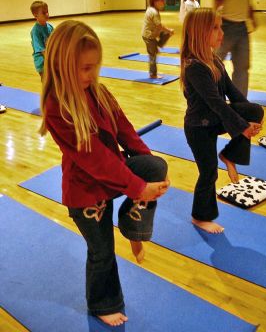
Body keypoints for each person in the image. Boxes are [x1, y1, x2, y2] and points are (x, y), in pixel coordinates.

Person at [39, 20, 169, 326]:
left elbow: (125, 129)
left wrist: (149, 177)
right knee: (102, 253)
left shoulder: (99, 92)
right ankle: (101, 303)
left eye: (95, 67)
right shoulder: (57, 106)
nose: (91, 75)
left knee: (155, 167)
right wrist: (137, 189)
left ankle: (132, 227)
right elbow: (95, 159)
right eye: (84, 69)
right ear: (61, 65)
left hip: (110, 180)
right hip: (86, 195)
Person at [180, 8, 264, 234]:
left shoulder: (214, 60)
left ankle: (229, 154)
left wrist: (247, 117)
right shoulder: (194, 67)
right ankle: (200, 217)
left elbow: (234, 94)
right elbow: (216, 102)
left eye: (221, 27)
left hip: (214, 120)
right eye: (215, 28)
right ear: (199, 33)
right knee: (209, 172)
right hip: (199, 128)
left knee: (255, 109)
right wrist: (242, 128)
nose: (221, 33)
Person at [212, 0, 256, 97]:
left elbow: (247, 3)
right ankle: (214, 97)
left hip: (242, 29)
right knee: (215, 64)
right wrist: (215, 27)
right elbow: (216, 4)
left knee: (243, 67)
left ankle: (240, 101)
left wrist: (253, 18)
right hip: (226, 28)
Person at [142, 0, 174, 78]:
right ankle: (153, 74)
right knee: (153, 56)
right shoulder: (154, 12)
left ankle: (157, 46)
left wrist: (167, 32)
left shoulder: (152, 9)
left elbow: (159, 27)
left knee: (166, 33)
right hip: (149, 36)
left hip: (153, 34)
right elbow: (160, 26)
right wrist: (169, 30)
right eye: (161, 0)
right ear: (155, 2)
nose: (164, 2)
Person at [30, 0, 54, 79]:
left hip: (50, 59)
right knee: (46, 82)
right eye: (43, 13)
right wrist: (51, 61)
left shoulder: (50, 27)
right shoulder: (35, 31)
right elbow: (42, 50)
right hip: (42, 62)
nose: (47, 14)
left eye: (47, 11)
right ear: (35, 15)